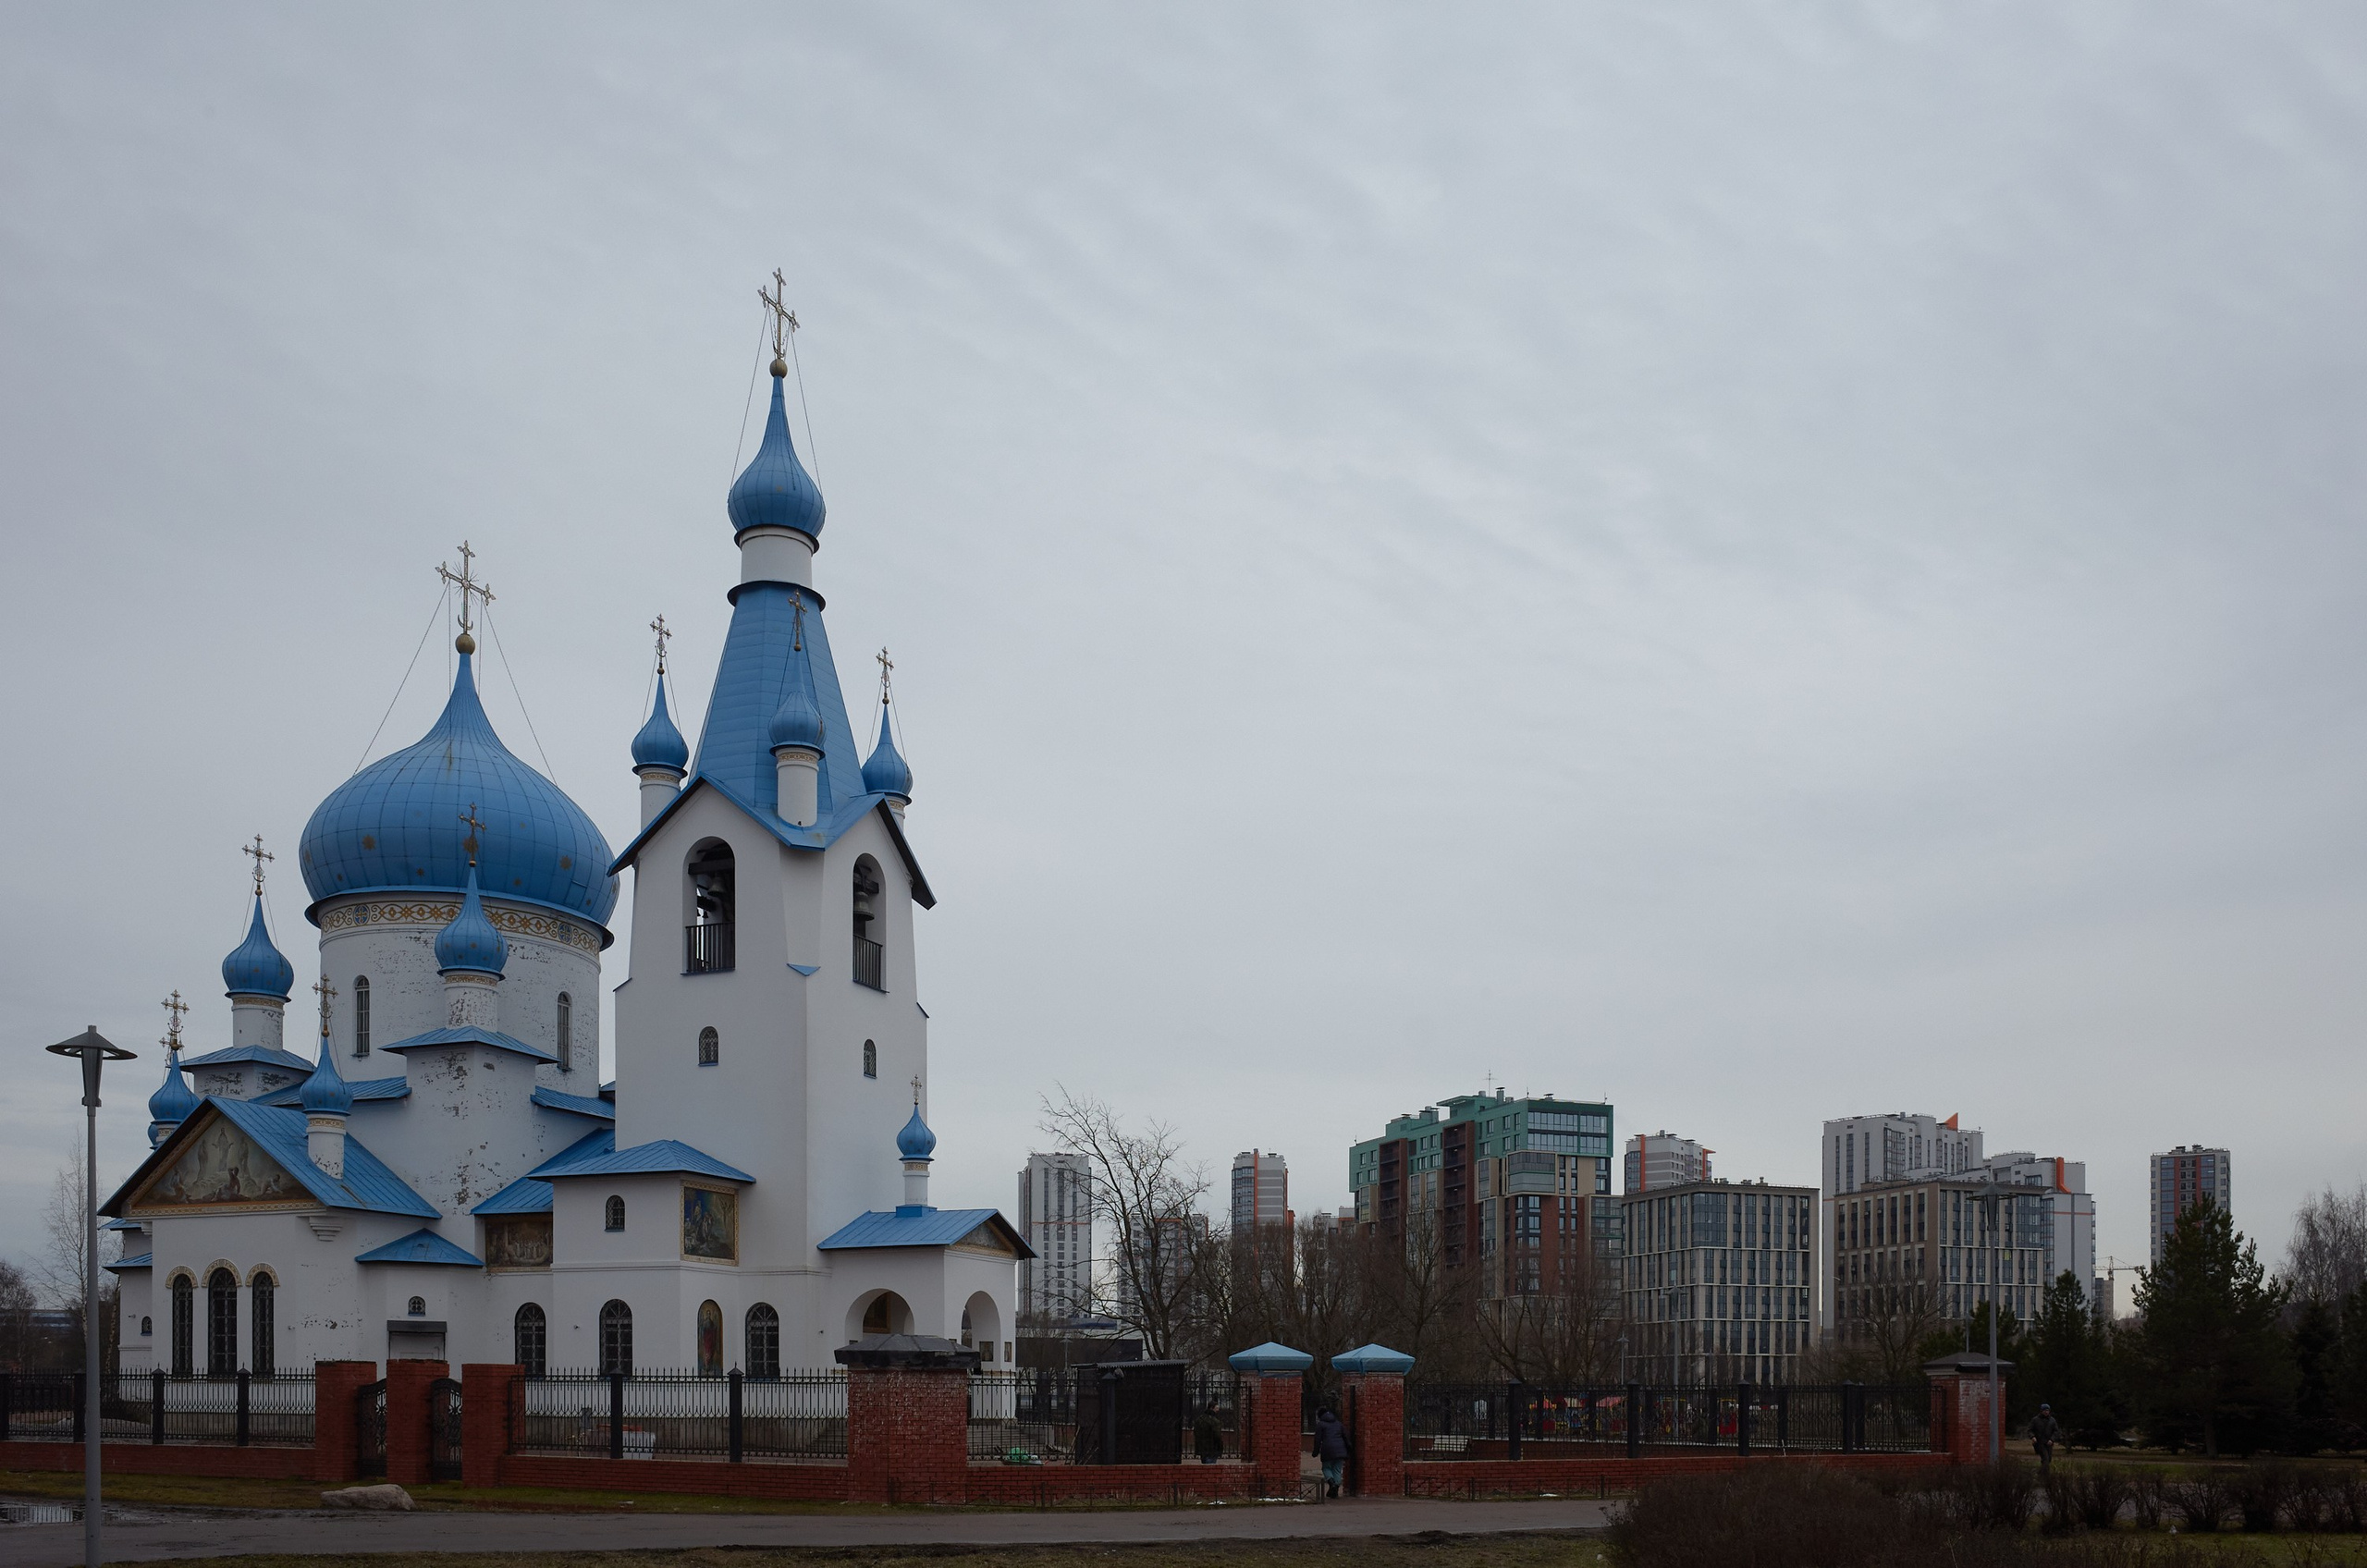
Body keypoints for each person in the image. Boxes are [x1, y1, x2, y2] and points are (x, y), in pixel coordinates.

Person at [1312, 1405, 1350, 1499]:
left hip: (1328, 1450)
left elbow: (1317, 1440)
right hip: (1341, 1450)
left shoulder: (1321, 1425)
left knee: (1326, 1468)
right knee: (1337, 1470)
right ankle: (1335, 1489)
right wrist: (1349, 1449)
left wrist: (1315, 1452)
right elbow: (1346, 1437)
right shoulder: (1338, 1423)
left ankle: (1331, 1483)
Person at [2029, 1403, 2061, 1471]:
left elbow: (2056, 1431)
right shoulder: (2035, 1420)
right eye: (2045, 1410)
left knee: (2048, 1459)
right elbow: (2030, 1430)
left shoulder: (2052, 1420)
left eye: (2047, 1410)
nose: (2046, 1412)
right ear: (2041, 1411)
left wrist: (2052, 1440)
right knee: (2045, 1458)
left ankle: (2040, 1473)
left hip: (2049, 1443)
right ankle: (2044, 1475)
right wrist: (2033, 1437)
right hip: (2039, 1443)